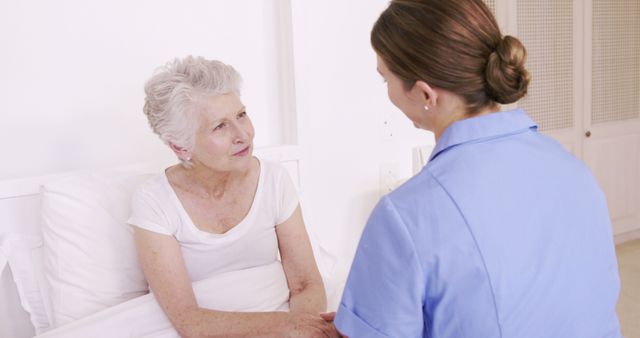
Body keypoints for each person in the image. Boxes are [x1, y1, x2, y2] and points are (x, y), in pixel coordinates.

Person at [333, 0, 622, 337]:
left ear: (425, 92)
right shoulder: (575, 171)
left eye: (386, 81)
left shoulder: (405, 216)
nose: (389, 94)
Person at [129, 56, 338, 338]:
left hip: (281, 319)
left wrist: (302, 331)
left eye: (241, 115)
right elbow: (189, 320)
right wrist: (288, 327)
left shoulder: (274, 179)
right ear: (180, 147)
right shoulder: (154, 201)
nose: (243, 134)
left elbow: (305, 284)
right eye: (220, 126)